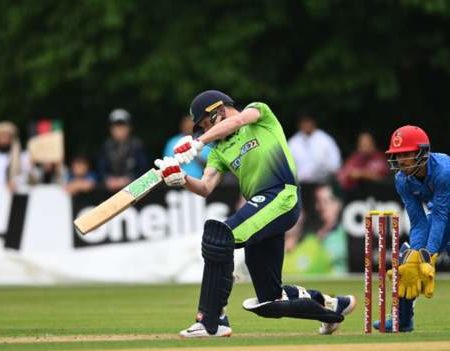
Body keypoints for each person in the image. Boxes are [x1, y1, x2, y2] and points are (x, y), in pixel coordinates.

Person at [154, 90, 356, 338]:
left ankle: (212, 321)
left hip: (282, 196)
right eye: (202, 128)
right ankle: (331, 306)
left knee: (220, 236)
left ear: (218, 109)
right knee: (270, 300)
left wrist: (199, 142)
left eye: (207, 123)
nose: (206, 130)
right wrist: (181, 178)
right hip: (263, 210)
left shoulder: (259, 113)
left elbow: (237, 120)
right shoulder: (219, 149)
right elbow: (205, 187)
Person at [375, 125, 450, 332]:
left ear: (422, 152)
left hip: (444, 213)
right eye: (398, 155)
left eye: (407, 154)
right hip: (441, 215)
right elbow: (418, 222)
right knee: (406, 262)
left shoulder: (444, 171)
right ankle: (402, 320)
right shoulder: (402, 180)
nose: (401, 161)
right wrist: (416, 254)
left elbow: (441, 215)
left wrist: (429, 253)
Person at [97, 108, 148, 192]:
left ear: (129, 127)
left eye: (122, 126)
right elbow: (100, 169)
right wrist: (107, 180)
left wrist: (128, 179)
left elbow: (144, 169)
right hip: (108, 192)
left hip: (134, 192)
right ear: (111, 129)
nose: (119, 129)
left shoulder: (137, 145)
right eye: (116, 126)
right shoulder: (106, 146)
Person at [288, 113, 341, 184]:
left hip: (322, 183)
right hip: (299, 185)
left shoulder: (325, 140)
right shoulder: (293, 142)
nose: (306, 125)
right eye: (303, 122)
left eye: (308, 122)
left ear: (313, 123)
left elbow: (335, 164)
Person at [162, 115, 210, 179]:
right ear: (181, 126)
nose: (188, 128)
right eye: (186, 125)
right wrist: (181, 155)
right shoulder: (173, 142)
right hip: (178, 182)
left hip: (200, 181)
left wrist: (195, 153)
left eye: (191, 125)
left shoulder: (205, 140)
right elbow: (167, 163)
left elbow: (211, 164)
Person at [0, 121, 29, 191]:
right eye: (2, 136)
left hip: (13, 192)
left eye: (7, 136)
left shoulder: (22, 157)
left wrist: (15, 182)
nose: (4, 139)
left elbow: (26, 174)